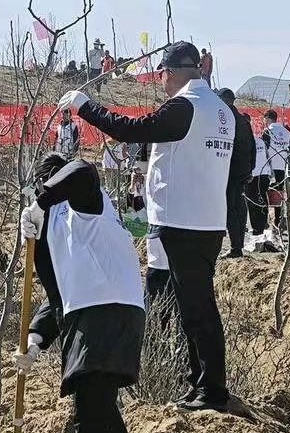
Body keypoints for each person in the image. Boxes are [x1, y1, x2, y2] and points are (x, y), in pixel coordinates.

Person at [64, 40, 232, 412]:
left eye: (162, 75)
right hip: (207, 221)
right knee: (196, 306)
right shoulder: (222, 110)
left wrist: (86, 107)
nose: (161, 82)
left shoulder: (186, 106)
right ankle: (201, 384)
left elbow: (131, 129)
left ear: (170, 73)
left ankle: (211, 390)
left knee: (197, 310)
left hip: (183, 222)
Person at [15, 155, 152, 433]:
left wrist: (41, 201)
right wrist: (35, 341)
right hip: (102, 313)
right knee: (99, 402)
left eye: (45, 185)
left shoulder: (85, 204)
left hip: (105, 311)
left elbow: (81, 170)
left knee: (89, 419)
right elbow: (57, 297)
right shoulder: (55, 230)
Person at [217, 89, 254, 259]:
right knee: (239, 207)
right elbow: (252, 147)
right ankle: (238, 245)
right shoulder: (243, 120)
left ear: (222, 100)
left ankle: (235, 247)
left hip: (229, 170)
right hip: (243, 171)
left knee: (230, 208)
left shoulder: (224, 119)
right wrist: (250, 169)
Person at [244, 117, 275, 251]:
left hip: (253, 175)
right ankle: (262, 226)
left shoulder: (245, 141)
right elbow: (268, 157)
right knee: (262, 199)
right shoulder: (259, 140)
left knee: (252, 202)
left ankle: (257, 229)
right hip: (264, 174)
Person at [262, 109, 290, 233]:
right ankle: (278, 221)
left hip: (270, 167)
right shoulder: (286, 132)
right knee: (278, 194)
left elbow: (263, 149)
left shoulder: (268, 131)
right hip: (283, 167)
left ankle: (266, 222)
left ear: (268, 118)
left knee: (265, 194)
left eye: (265, 119)